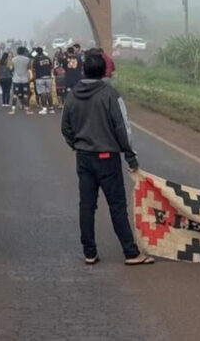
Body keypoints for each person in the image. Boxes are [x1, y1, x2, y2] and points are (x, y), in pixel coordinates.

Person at [61, 52, 154, 266]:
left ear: (83, 70)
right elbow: (122, 127)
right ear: (104, 71)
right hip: (107, 157)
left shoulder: (73, 95)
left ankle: (89, 252)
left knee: (87, 205)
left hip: (84, 157)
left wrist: (76, 144)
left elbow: (65, 127)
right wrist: (130, 156)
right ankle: (130, 253)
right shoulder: (110, 94)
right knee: (117, 206)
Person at [32, 47, 54, 115]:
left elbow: (34, 68)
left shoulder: (36, 59)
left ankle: (44, 109)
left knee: (43, 93)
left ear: (36, 52)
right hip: (48, 77)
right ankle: (51, 108)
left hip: (40, 77)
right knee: (49, 93)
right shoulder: (47, 58)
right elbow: (51, 66)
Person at [9, 46, 31, 115]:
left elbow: (10, 68)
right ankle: (27, 110)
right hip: (25, 79)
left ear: (17, 52)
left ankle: (13, 110)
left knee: (15, 95)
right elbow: (29, 68)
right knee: (26, 95)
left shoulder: (13, 59)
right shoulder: (27, 59)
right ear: (24, 52)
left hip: (16, 79)